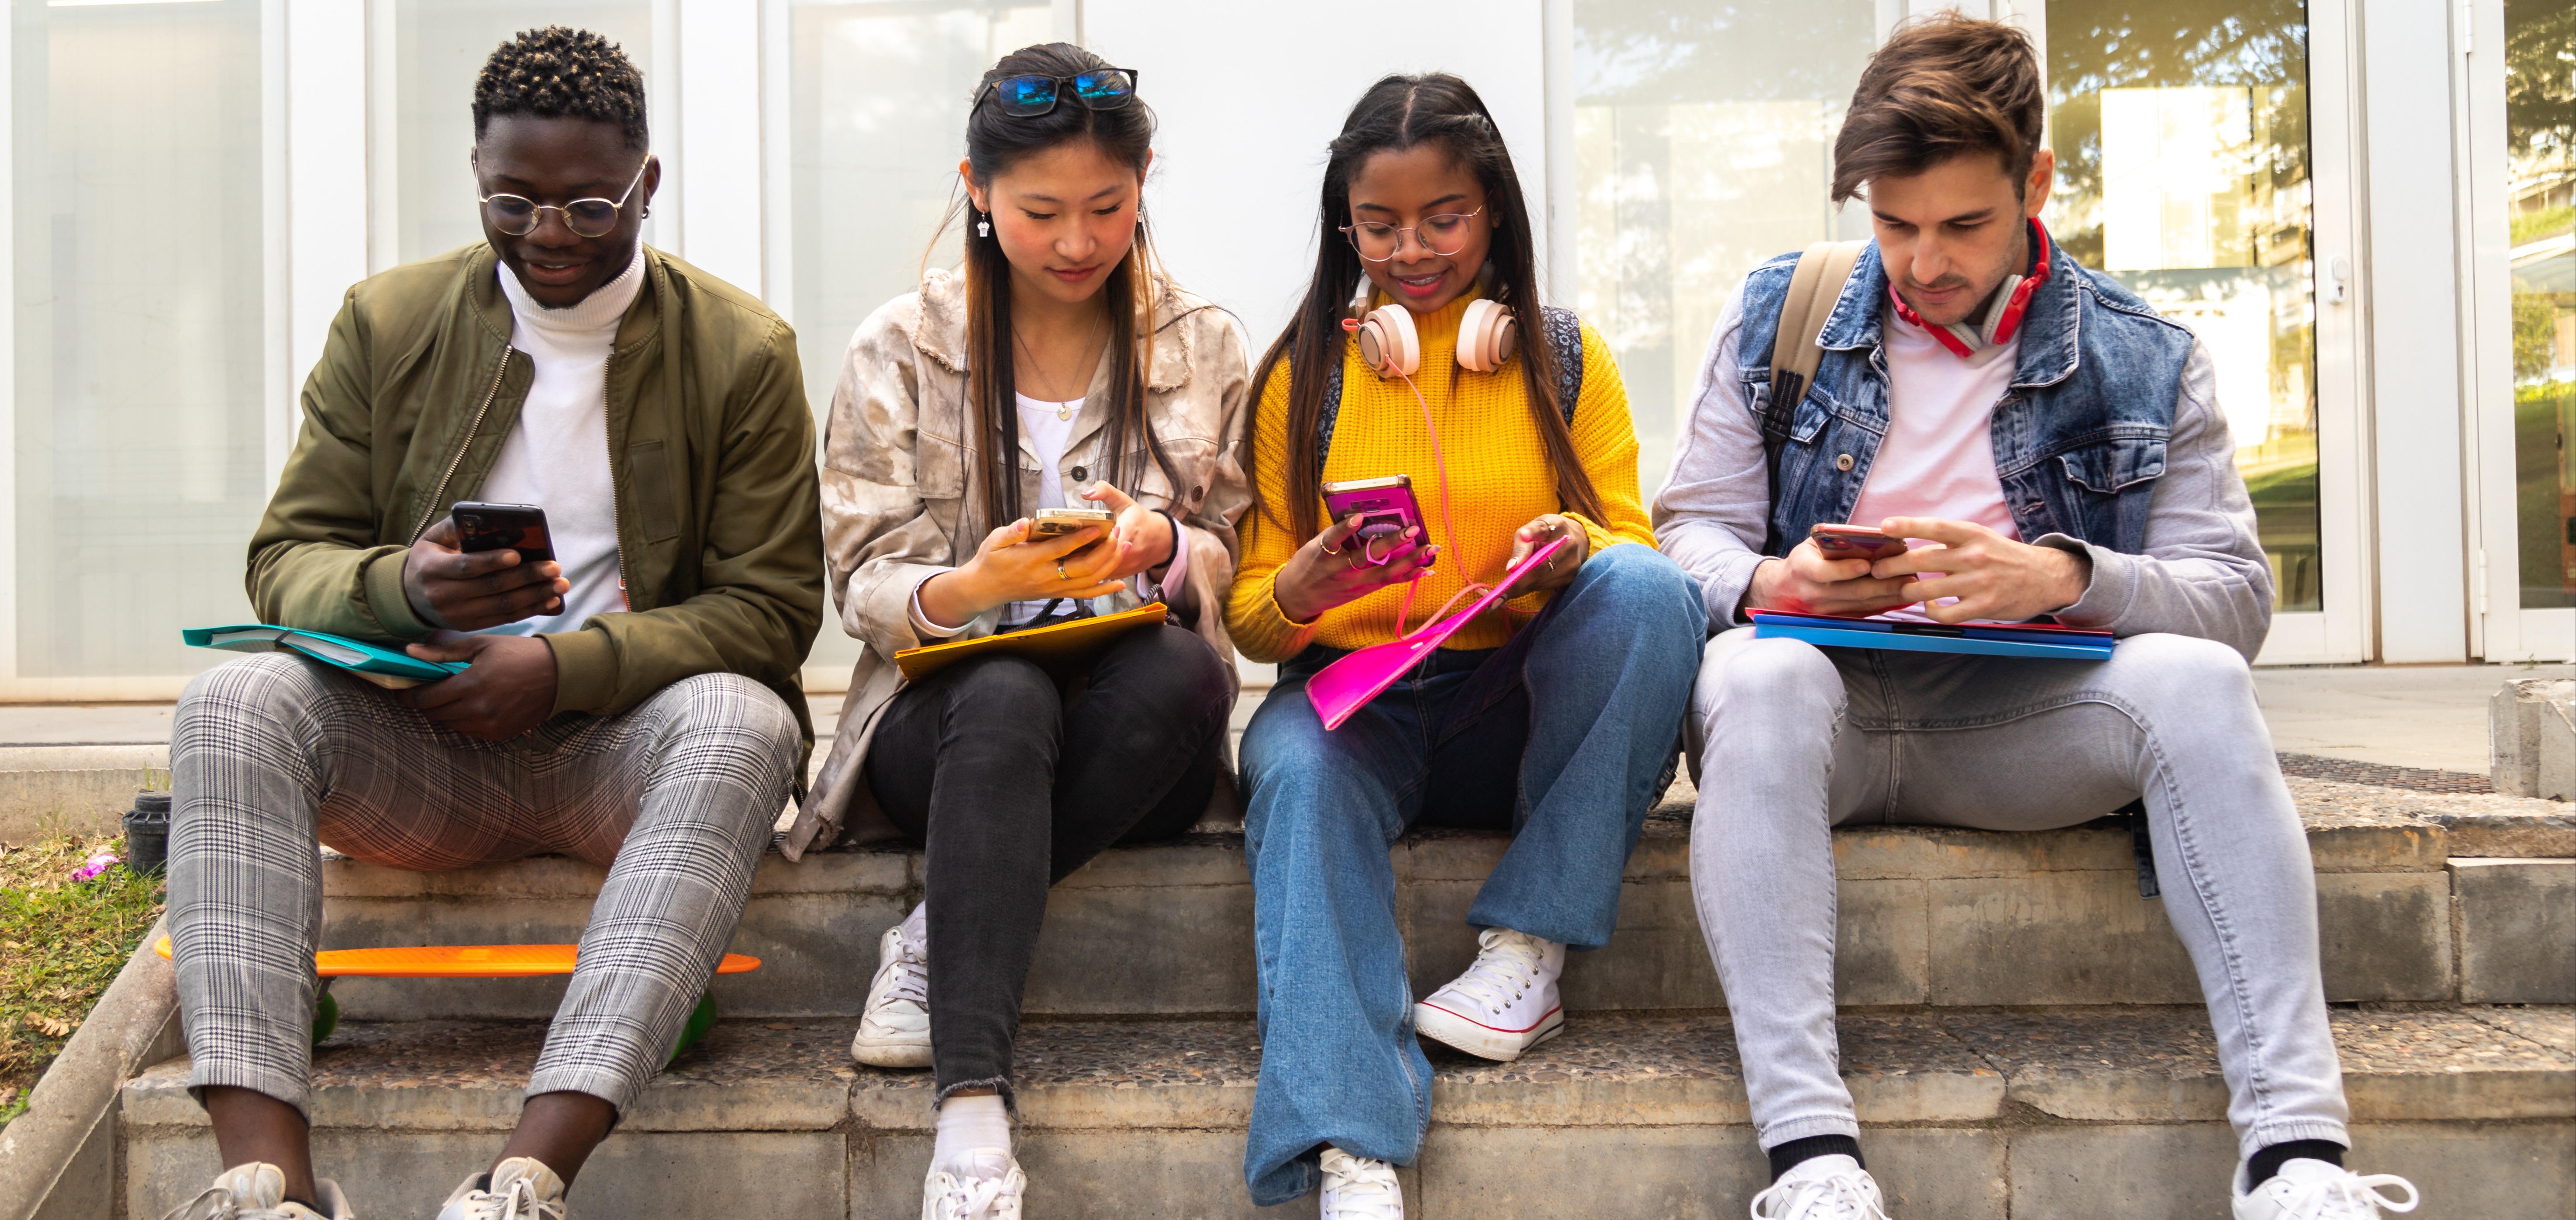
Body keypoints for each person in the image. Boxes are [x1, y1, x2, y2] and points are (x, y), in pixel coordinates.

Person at [1654, 15, 2421, 1220]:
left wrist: (2065, 578)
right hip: (1815, 724)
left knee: (2203, 685)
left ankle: (2294, 1159)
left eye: (1960, 224)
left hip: (2024, 734)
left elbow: (2230, 598)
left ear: (2037, 183)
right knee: (1756, 672)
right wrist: (1772, 584)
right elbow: (1686, 532)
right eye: (1892, 225)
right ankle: (1807, 1159)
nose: (1922, 261)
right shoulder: (1779, 313)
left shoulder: (2142, 357)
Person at [160, 26, 823, 1220]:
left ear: (647, 185)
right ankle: (267, 1186)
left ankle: (522, 1179)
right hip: (425, 750)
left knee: (743, 716)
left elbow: (771, 609)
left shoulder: (742, 351)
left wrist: (564, 670)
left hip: (620, 756)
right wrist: (398, 589)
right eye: (512, 204)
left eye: (587, 205)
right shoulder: (389, 321)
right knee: (232, 697)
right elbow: (282, 557)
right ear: (477, 178)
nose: (550, 237)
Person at [1231, 74, 1706, 1218]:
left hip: (1511, 698)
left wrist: (1572, 542)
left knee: (1645, 589)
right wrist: (1300, 584)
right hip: (1354, 701)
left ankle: (1528, 950)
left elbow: (1640, 558)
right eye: (1377, 225)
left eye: (1442, 217)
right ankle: (1351, 1146)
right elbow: (1250, 614)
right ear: (1344, 227)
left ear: (1493, 208)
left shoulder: (1561, 356)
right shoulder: (1305, 374)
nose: (1410, 250)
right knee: (1291, 768)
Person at [799, 43, 1252, 1220]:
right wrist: (969, 588)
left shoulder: (1200, 339)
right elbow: (859, 574)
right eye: (1039, 210)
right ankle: (970, 1112)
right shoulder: (899, 343)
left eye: (1106, 206)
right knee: (1003, 693)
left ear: (1144, 181)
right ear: (976, 190)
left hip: (1128, 730)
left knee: (1184, 676)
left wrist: (1166, 549)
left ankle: (936, 929)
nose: (1075, 239)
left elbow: (1237, 553)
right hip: (943, 725)